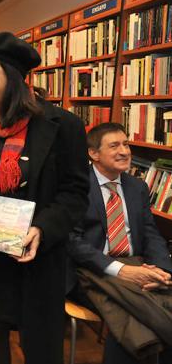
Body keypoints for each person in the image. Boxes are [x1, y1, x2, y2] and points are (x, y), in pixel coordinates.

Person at [0, 31, 90, 364]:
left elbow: (75, 193)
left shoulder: (61, 126)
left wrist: (42, 229)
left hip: (33, 260)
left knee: (39, 347)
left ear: (10, 74)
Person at [66, 122, 172, 364]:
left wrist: (161, 270)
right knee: (129, 313)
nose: (124, 151)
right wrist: (120, 270)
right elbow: (71, 242)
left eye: (126, 144)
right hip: (91, 270)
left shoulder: (137, 187)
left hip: (138, 264)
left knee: (144, 310)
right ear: (93, 154)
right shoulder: (76, 187)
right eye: (114, 145)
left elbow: (150, 232)